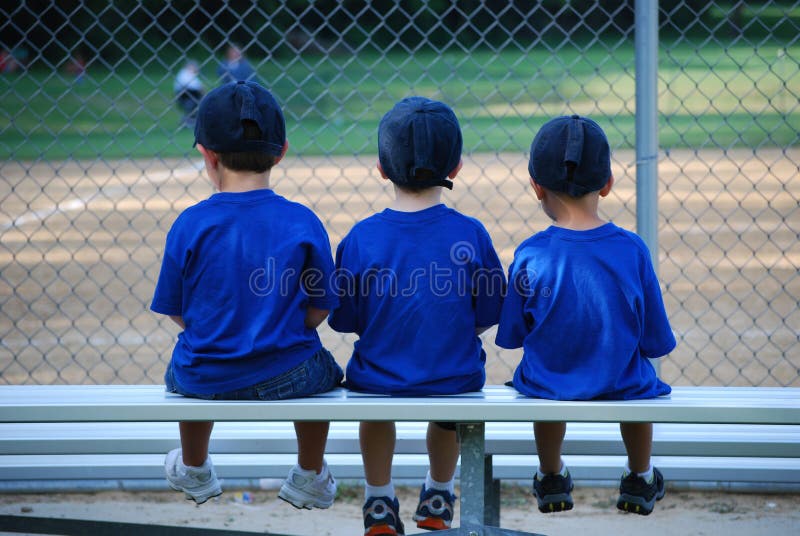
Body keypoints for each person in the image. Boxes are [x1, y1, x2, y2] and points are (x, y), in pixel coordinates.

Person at [151, 80, 344, 510]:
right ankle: (309, 473)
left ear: (207, 155)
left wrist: (213, 333)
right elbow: (321, 308)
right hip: (291, 375)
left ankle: (195, 467)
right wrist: (293, 327)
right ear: (281, 152)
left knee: (187, 361)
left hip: (207, 376)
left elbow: (177, 311)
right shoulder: (302, 220)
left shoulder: (189, 224)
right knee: (324, 369)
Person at [329, 96, 506, 535]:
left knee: (372, 404)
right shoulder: (471, 233)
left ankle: (378, 499)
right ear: (457, 167)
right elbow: (488, 311)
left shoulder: (361, 237)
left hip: (377, 378)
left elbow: (344, 319)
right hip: (454, 377)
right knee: (447, 405)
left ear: (382, 168)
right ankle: (439, 491)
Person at [495, 115, 677, 516]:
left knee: (541, 376)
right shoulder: (632, 250)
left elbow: (513, 335)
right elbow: (655, 340)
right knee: (639, 378)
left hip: (550, 382)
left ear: (536, 186)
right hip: (621, 380)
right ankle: (640, 475)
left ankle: (551, 474)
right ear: (608, 184)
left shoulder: (531, 253)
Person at [174, 60, 204, 128]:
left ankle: (190, 120)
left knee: (196, 106)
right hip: (184, 96)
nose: (196, 69)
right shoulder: (184, 73)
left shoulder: (192, 75)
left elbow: (200, 86)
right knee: (192, 105)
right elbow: (195, 86)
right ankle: (188, 121)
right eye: (194, 67)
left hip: (191, 96)